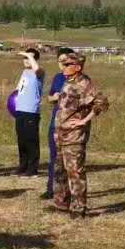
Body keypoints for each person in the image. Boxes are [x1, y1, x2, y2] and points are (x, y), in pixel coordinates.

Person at [50, 51, 110, 218]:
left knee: (75, 172)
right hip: (60, 134)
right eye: (63, 64)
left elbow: (102, 103)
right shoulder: (67, 82)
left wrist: (84, 121)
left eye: (67, 64)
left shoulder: (86, 84)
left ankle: (78, 208)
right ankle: (61, 203)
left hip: (74, 136)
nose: (63, 67)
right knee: (60, 170)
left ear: (77, 67)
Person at [42, 47, 74, 200]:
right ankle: (51, 188)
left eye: (65, 61)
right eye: (60, 61)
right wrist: (54, 97)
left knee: (71, 161)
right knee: (54, 157)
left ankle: (70, 192)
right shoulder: (57, 78)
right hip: (56, 124)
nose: (62, 64)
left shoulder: (81, 79)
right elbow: (49, 98)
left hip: (72, 126)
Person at [13, 48, 44, 175]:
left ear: (35, 60)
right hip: (20, 109)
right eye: (25, 58)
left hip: (31, 111)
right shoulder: (24, 72)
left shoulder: (40, 72)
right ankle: (23, 165)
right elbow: (19, 89)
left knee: (31, 140)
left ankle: (32, 168)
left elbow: (36, 69)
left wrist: (29, 55)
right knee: (22, 140)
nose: (26, 60)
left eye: (30, 58)